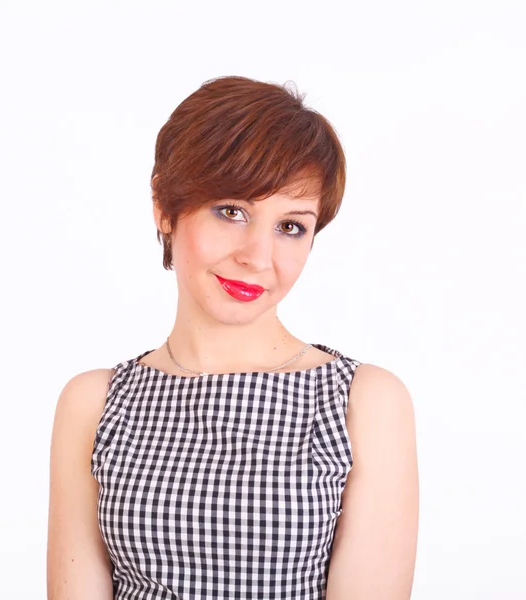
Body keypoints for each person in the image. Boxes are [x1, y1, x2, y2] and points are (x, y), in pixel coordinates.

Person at [47, 75, 419, 600]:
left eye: (291, 226)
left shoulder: (362, 402)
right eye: (231, 211)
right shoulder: (96, 402)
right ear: (163, 205)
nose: (258, 257)